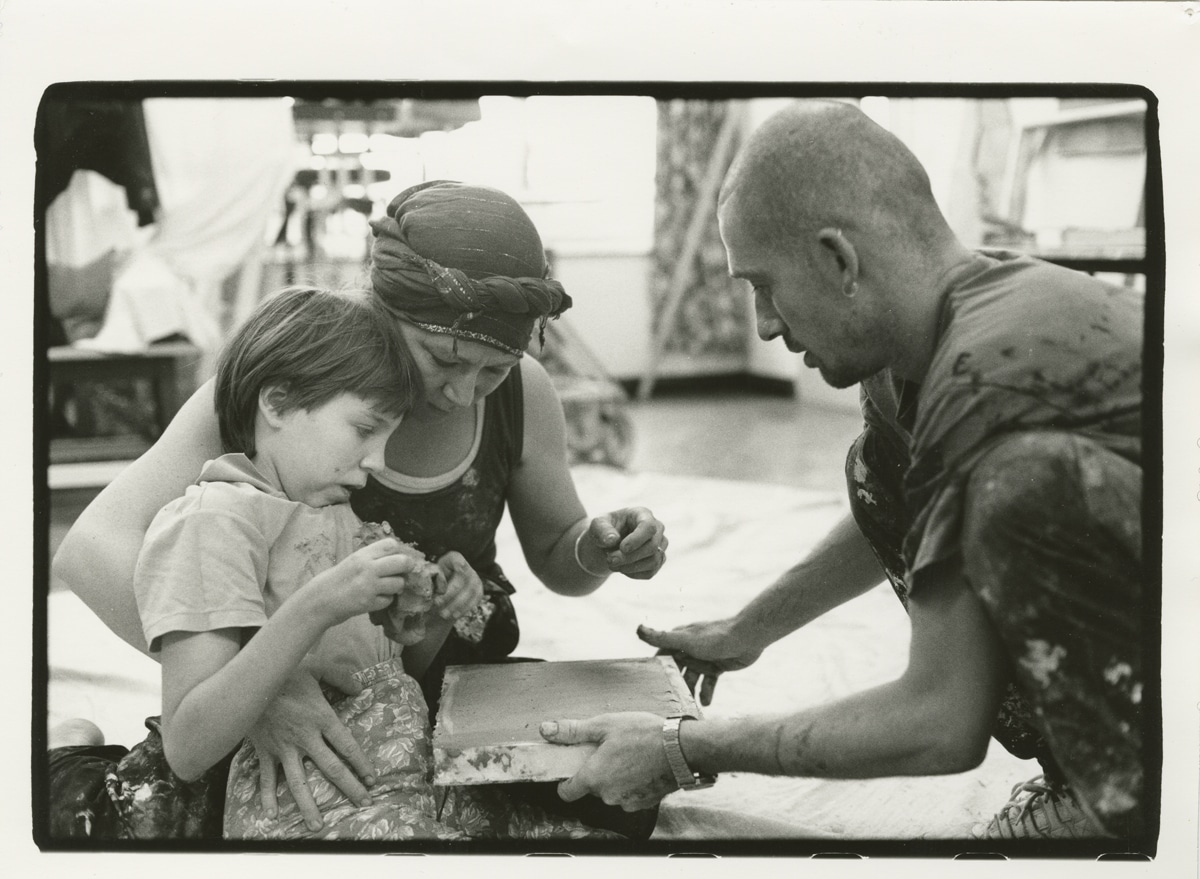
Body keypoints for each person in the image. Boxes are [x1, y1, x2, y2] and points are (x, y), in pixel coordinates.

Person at [539, 100, 1146, 841]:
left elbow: (939, 723)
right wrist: (746, 629)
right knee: (875, 466)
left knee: (1017, 482)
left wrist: (680, 746)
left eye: (765, 286)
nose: (764, 323)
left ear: (839, 261)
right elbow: (907, 507)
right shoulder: (919, 342)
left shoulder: (992, 379)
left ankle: (1115, 797)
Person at [50, 180, 668, 839]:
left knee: (617, 788)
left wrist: (594, 548)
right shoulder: (297, 382)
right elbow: (92, 549)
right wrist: (267, 685)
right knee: (212, 814)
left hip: (433, 679)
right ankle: (67, 757)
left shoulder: (522, 394)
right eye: (444, 359)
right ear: (382, 309)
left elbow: (557, 552)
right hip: (296, 680)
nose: (464, 393)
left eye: (493, 370)